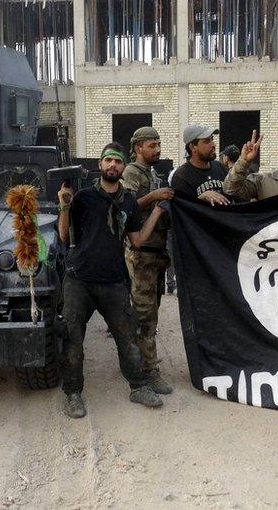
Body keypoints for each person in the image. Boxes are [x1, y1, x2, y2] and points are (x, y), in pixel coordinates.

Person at [56, 142, 168, 419]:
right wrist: (64, 207)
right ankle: (72, 393)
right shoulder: (82, 197)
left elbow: (138, 240)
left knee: (128, 337)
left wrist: (156, 211)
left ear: (122, 166)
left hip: (114, 282)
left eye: (117, 162)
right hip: (79, 279)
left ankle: (139, 386)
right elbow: (64, 237)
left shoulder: (128, 201)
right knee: (73, 339)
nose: (113, 166)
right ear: (100, 165)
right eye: (108, 160)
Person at [122, 127, 176, 395]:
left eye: (158, 144)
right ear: (138, 148)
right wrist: (155, 197)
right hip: (141, 254)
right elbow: (127, 206)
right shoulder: (132, 172)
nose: (158, 149)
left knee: (149, 312)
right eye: (152, 145)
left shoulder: (151, 173)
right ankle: (148, 372)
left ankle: (138, 361)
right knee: (145, 316)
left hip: (156, 254)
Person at [171, 124, 231, 206]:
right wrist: (201, 198)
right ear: (192, 147)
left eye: (212, 139)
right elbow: (182, 212)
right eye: (206, 141)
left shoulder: (220, 167)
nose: (213, 145)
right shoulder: (181, 176)